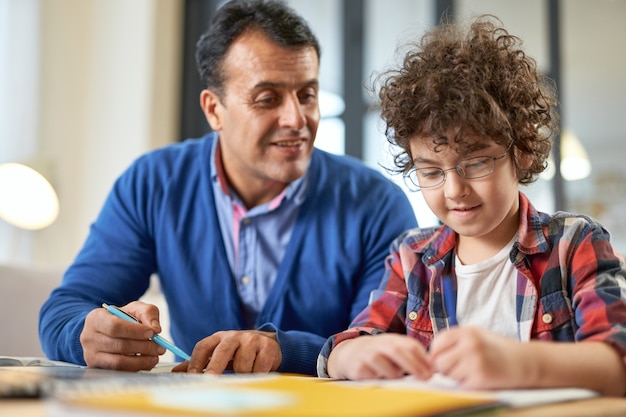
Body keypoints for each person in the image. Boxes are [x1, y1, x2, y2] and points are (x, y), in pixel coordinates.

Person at [38, 0, 417, 376]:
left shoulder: (377, 205)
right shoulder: (154, 183)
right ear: (213, 110)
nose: (296, 118)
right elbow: (64, 311)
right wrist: (87, 333)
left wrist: (284, 351)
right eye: (267, 99)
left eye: (308, 95)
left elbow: (386, 345)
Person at [317, 15, 626, 396]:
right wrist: (354, 355)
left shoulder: (575, 243)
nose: (454, 190)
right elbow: (346, 346)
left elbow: (618, 361)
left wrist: (518, 363)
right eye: (431, 172)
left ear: (523, 151)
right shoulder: (412, 257)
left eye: (476, 163)